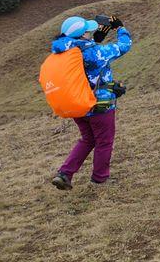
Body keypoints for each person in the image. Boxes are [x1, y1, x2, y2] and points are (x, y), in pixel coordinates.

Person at [51, 15, 131, 189]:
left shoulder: (64, 51)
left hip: (77, 105)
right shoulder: (95, 53)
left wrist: (95, 40)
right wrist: (120, 28)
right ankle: (100, 178)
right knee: (104, 141)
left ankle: (65, 173)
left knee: (87, 139)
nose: (91, 32)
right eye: (88, 31)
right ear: (82, 35)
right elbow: (124, 46)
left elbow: (84, 56)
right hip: (98, 105)